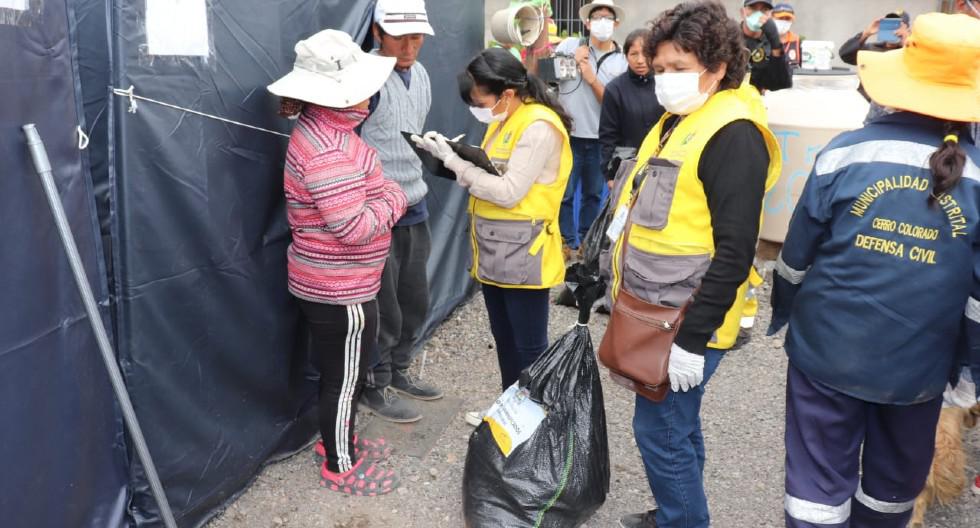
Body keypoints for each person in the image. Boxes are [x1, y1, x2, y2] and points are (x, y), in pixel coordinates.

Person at [768, 13, 980, 527]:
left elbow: (795, 258)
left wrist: (783, 315)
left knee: (817, 489)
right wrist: (968, 370)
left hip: (827, 353)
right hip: (919, 367)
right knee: (891, 493)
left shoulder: (846, 152)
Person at [611, 3, 781, 527]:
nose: (666, 80)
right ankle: (676, 511)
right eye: (660, 69)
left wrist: (693, 339)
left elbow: (735, 250)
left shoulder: (734, 134)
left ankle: (684, 521)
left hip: (687, 318)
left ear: (718, 67)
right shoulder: (679, 119)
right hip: (655, 305)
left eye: (679, 68)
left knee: (658, 427)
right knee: (677, 425)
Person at [268, 29, 406, 494]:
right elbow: (354, 227)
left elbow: (360, 203)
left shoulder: (321, 130)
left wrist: (377, 192)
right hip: (340, 288)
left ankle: (338, 441)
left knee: (339, 373)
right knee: (344, 380)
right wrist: (393, 198)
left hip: (330, 281)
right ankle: (339, 464)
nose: (370, 98)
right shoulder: (329, 150)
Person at [412, 47, 572, 424]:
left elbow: (508, 191)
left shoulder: (538, 126)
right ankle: (508, 413)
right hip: (496, 248)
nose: (476, 109)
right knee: (504, 338)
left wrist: (454, 163)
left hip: (524, 252)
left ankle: (533, 425)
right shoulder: (506, 118)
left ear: (507, 94)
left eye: (479, 101)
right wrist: (448, 153)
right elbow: (491, 170)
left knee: (529, 345)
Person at [357, 0, 442, 425]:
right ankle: (376, 382)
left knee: (414, 297)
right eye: (398, 36)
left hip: (416, 202)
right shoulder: (364, 77)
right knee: (382, 306)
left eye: (416, 36)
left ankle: (403, 369)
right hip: (376, 209)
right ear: (377, 33)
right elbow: (350, 143)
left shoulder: (421, 74)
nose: (409, 46)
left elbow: (408, 133)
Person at [554, 0, 628, 256]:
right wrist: (575, 62)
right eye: (597, 17)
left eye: (608, 18)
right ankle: (564, 241)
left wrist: (591, 77)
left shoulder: (622, 61)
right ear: (587, 22)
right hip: (569, 134)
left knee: (593, 194)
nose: (602, 22)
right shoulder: (568, 46)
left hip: (600, 137)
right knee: (564, 192)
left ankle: (587, 242)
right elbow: (559, 79)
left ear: (616, 23)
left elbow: (613, 103)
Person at [599, 28, 665, 182]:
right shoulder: (614, 89)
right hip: (626, 165)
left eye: (645, 53)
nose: (640, 60)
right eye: (634, 54)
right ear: (626, 56)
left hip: (661, 164)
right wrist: (610, 175)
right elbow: (608, 135)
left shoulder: (665, 84)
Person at [839, 10, 910, 123]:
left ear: (906, 29)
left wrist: (906, 40)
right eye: (888, 26)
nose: (893, 30)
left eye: (897, 26)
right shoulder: (871, 49)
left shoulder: (909, 52)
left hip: (897, 110)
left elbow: (921, 64)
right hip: (865, 107)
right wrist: (866, 33)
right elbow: (845, 55)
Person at [741, 0, 793, 93]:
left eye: (764, 10)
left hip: (757, 101)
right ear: (742, 12)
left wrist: (776, 42)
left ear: (770, 15)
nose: (758, 14)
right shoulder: (731, 38)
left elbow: (782, 83)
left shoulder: (771, 43)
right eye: (753, 8)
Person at [772, 3, 801, 68]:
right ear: (772, 18)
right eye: (780, 18)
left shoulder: (797, 41)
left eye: (787, 18)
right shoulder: (762, 40)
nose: (784, 22)